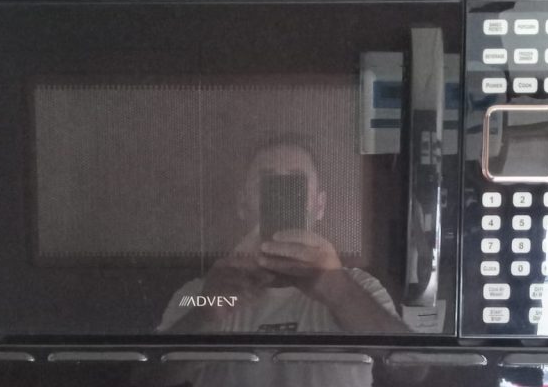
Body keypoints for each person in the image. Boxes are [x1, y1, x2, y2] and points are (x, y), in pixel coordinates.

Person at [159, 139, 407, 335]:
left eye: (295, 183)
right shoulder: (197, 294)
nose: (280, 197)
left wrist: (339, 291)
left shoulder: (361, 288)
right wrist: (205, 310)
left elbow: (412, 370)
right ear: (243, 204)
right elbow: (149, 377)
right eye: (268, 183)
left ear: (319, 205)